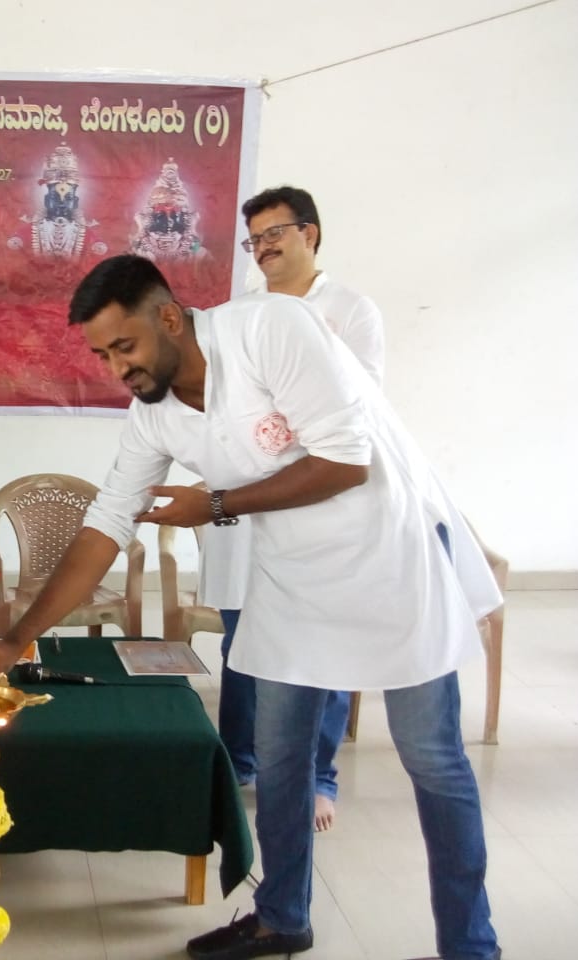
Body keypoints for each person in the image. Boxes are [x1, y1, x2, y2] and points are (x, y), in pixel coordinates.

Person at [0, 256, 501, 960]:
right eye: (103, 355)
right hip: (294, 579)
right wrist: (17, 638)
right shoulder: (154, 417)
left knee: (432, 759)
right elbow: (106, 524)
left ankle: (470, 946)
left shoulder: (269, 329)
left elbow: (347, 462)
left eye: (125, 346)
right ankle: (282, 917)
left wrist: (216, 504)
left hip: (392, 556)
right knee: (281, 760)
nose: (118, 369)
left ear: (170, 318)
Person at [204, 185, 388, 830]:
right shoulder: (240, 315)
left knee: (321, 651)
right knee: (243, 645)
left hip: (319, 502)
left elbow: (356, 411)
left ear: (310, 233)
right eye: (254, 239)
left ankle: (317, 776)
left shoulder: (351, 310)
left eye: (274, 234)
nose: (263, 248)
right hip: (248, 504)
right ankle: (238, 764)